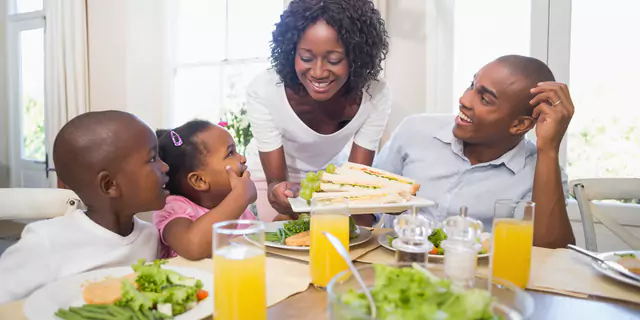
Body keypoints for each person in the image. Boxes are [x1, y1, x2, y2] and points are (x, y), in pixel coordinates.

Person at [375, 55, 576, 249]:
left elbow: (551, 254)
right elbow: (366, 202)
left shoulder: (540, 174)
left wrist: (549, 148)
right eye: (472, 85)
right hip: (397, 267)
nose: (464, 100)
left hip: (474, 279)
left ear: (519, 124)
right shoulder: (415, 130)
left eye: (485, 99)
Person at [245, 0, 390, 226]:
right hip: (267, 178)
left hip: (328, 181)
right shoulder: (264, 90)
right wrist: (279, 191)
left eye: (334, 60)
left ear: (357, 57)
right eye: (306, 58)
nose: (319, 72)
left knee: (352, 234)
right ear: (291, 51)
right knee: (281, 235)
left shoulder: (375, 94)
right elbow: (276, 182)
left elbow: (355, 180)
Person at [0, 111, 167, 303]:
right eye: (153, 158)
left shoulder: (150, 235)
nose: (165, 167)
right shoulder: (44, 242)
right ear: (109, 185)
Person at [153, 120, 259, 260]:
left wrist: (285, 217)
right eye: (230, 153)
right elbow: (193, 247)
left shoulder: (236, 206)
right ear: (199, 181)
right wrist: (240, 197)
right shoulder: (173, 208)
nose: (242, 158)